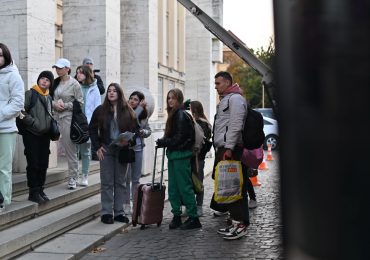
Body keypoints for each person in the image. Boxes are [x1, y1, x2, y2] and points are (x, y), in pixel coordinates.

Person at [89, 83, 137, 224]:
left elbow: (136, 131)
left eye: (114, 91)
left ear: (119, 93)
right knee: (107, 182)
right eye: (109, 91)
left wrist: (128, 141)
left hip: (122, 150)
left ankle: (119, 212)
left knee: (120, 182)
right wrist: (97, 147)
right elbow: (91, 129)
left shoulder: (128, 110)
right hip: (107, 149)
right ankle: (106, 213)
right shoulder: (100, 110)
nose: (111, 93)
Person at [156, 88, 202, 230]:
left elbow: (180, 138)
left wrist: (164, 142)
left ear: (179, 99)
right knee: (174, 188)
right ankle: (176, 216)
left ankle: (194, 218)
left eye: (173, 98)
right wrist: (165, 141)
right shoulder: (175, 114)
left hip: (181, 155)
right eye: (168, 98)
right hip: (175, 155)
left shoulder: (181, 115)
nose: (170, 100)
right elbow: (174, 136)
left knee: (184, 187)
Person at [211, 71, 249, 240]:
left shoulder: (235, 99)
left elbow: (235, 125)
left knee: (235, 188)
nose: (215, 86)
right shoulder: (227, 99)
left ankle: (240, 225)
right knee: (229, 188)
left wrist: (229, 148)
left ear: (227, 82)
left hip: (231, 150)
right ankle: (234, 222)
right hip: (225, 149)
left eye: (218, 83)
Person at [20, 71, 55, 203]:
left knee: (43, 163)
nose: (44, 81)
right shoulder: (30, 94)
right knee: (33, 163)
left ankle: (40, 189)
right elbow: (21, 111)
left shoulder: (49, 97)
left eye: (47, 80)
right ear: (38, 80)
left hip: (44, 135)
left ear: (50, 83)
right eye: (42, 78)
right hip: (32, 134)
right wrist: (33, 123)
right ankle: (33, 191)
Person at [51, 58, 84, 190]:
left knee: (70, 150)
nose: (58, 70)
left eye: (60, 68)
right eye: (56, 68)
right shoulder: (55, 82)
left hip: (68, 118)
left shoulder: (75, 84)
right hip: (55, 117)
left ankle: (73, 177)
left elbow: (80, 103)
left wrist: (65, 105)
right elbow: (50, 98)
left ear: (67, 69)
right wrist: (54, 104)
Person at [0, 43, 25, 212]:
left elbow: (18, 103)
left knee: (4, 168)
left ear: (6, 57)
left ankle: (3, 201)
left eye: (0, 55)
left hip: (6, 129)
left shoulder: (13, 76)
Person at [124, 91, 152, 214]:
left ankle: (135, 203)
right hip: (126, 149)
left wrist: (144, 132)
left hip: (138, 149)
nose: (132, 101)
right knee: (126, 178)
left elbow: (148, 130)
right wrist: (140, 107)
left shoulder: (143, 115)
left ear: (140, 101)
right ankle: (125, 204)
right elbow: (130, 119)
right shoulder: (124, 112)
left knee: (136, 178)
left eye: (135, 99)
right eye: (131, 98)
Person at [75, 65, 101, 186]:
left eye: (80, 72)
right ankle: (74, 176)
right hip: (75, 123)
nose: (78, 74)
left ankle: (84, 175)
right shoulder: (76, 86)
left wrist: (94, 126)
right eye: (77, 72)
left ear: (86, 74)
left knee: (86, 151)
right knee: (74, 151)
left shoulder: (94, 88)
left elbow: (97, 108)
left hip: (88, 124)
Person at [189, 100, 212, 217]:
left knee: (198, 182)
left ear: (194, 110)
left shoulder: (200, 123)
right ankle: (194, 205)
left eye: (190, 109)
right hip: (198, 157)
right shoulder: (205, 122)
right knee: (193, 181)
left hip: (197, 157)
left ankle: (199, 206)